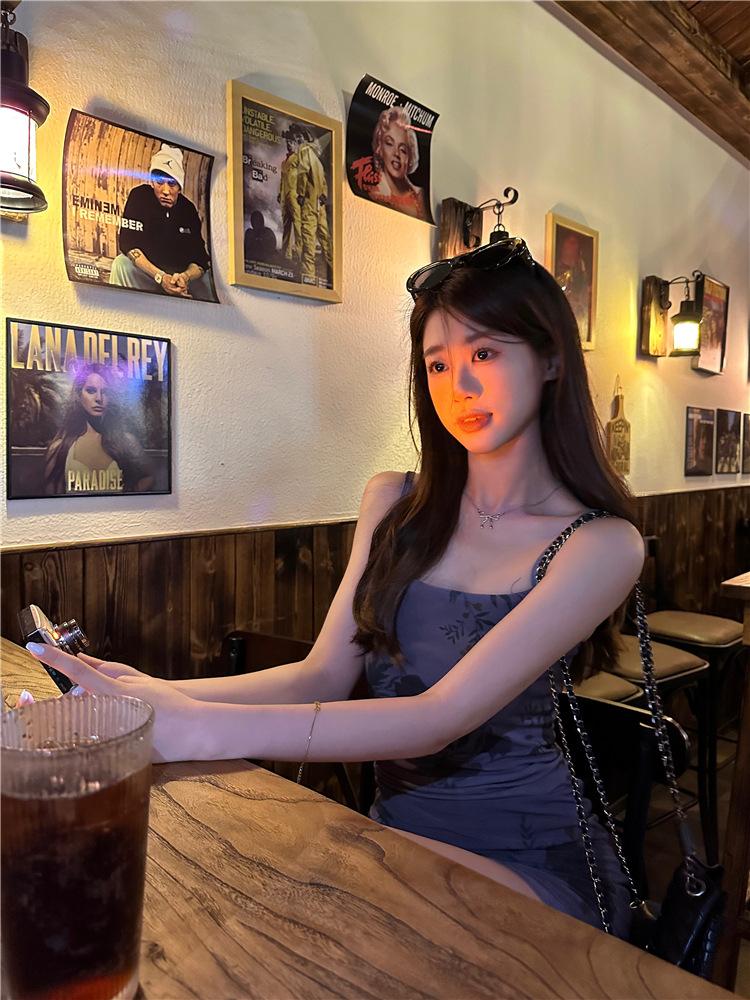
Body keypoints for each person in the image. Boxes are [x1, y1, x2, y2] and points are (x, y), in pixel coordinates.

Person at [29, 239, 644, 939]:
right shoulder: (393, 502)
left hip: (530, 862)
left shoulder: (601, 544)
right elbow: (321, 674)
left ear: (552, 358)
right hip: (398, 836)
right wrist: (154, 694)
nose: (459, 387)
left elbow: (439, 716)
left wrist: (193, 725)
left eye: (485, 353)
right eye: (437, 364)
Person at [109, 143, 214, 301]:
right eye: (159, 182)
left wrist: (185, 277)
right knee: (121, 264)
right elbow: (128, 243)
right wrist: (160, 277)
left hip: (181, 278)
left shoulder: (188, 209)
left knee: (208, 279)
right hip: (149, 274)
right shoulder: (139, 196)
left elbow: (200, 259)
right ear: (152, 182)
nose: (165, 191)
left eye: (172, 184)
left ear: (179, 187)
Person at [44, 364, 154, 495]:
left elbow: (150, 477)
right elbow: (50, 497)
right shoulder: (59, 448)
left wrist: (126, 496)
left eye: (105, 392)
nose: (99, 398)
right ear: (79, 395)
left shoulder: (126, 442)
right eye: (91, 391)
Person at [354, 106, 429, 222]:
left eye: (403, 149)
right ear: (380, 148)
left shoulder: (421, 196)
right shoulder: (374, 195)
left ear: (410, 157)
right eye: (389, 143)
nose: (396, 154)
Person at [296, 127, 333, 283]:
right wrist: (324, 195)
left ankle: (309, 278)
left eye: (299, 137)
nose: (297, 141)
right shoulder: (317, 160)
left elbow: (302, 174)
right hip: (319, 206)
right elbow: (323, 182)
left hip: (310, 205)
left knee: (309, 242)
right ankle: (332, 273)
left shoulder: (305, 152)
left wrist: (300, 193)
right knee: (326, 241)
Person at [278, 129, 302, 263]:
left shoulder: (299, 159)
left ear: (296, 143)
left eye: (291, 142)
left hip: (294, 195)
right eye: (287, 141)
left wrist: (301, 193)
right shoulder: (283, 163)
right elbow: (282, 179)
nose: (289, 144)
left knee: (297, 224)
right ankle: (285, 255)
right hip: (285, 195)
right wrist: (279, 193)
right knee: (286, 224)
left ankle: (299, 254)